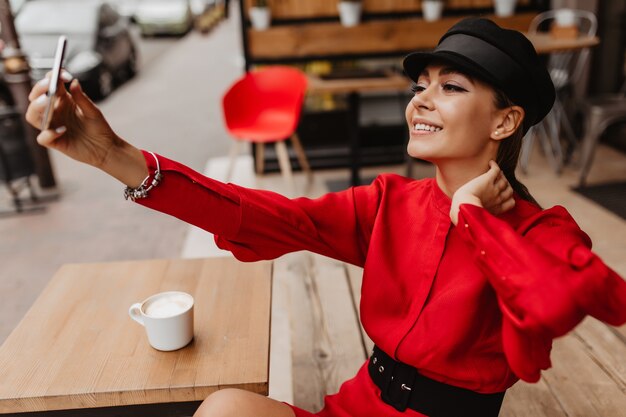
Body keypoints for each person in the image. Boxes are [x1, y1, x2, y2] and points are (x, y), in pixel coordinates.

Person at [25, 17, 626, 417]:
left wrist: (473, 218)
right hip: (355, 406)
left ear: (504, 122)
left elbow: (545, 306)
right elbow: (265, 215)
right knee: (223, 408)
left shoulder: (543, 231)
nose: (420, 98)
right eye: (422, 85)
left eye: (451, 87)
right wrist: (113, 156)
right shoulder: (390, 202)